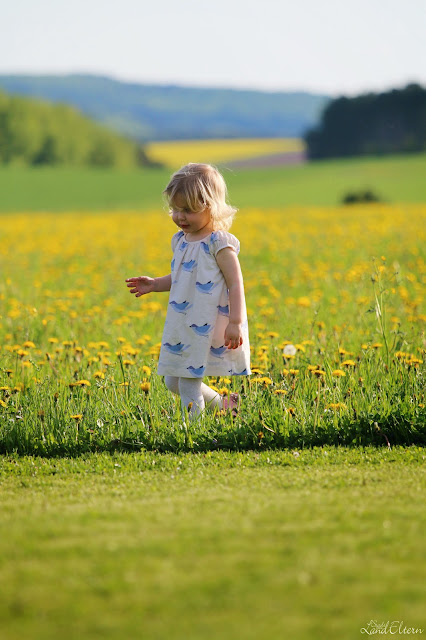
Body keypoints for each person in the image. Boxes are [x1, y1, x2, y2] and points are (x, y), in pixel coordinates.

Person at [125, 163, 251, 420]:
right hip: (184, 322)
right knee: (173, 381)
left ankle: (192, 433)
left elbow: (235, 283)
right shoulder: (181, 240)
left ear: (211, 207)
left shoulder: (219, 243)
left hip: (209, 322)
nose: (180, 217)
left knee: (188, 383)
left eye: (189, 210)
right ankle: (225, 405)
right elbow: (186, 277)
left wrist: (236, 322)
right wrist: (156, 284)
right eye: (176, 209)